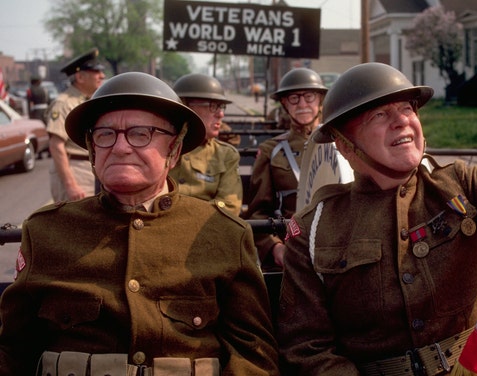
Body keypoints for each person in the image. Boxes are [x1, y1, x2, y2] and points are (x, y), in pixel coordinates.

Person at [276, 62, 477, 375]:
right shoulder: (314, 230)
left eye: (407, 108)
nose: (401, 121)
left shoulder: (460, 186)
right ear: (344, 145)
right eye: (379, 115)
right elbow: (306, 348)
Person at [0, 72, 279, 375]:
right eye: (105, 134)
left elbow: (253, 356)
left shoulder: (223, 234)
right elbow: (14, 350)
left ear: (173, 150)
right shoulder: (46, 232)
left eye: (141, 133)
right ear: (92, 150)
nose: (120, 148)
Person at [243, 67, 328, 270]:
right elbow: (258, 213)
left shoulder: (340, 145)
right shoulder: (272, 151)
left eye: (309, 97)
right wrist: (275, 248)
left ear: (320, 101)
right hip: (292, 248)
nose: (302, 104)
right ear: (284, 104)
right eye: (294, 98)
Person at [169, 73, 243, 216]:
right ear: (185, 107)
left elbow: (229, 206)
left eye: (221, 107)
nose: (221, 114)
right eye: (213, 106)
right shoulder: (159, 148)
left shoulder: (226, 154)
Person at [46, 47, 106, 202]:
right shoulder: (63, 103)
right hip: (74, 170)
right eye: (96, 72)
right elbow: (56, 146)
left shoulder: (88, 101)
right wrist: (70, 184)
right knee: (74, 223)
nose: (102, 76)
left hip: (90, 169)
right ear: (80, 77)